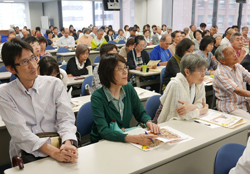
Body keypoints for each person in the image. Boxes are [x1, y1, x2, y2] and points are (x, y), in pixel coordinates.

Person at [0, 38, 78, 164]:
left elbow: (66, 118)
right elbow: (21, 134)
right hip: (27, 154)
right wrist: (54, 152)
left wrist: (67, 143)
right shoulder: (5, 94)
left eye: (33, 58)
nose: (33, 65)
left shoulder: (54, 84)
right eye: (24, 62)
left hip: (59, 146)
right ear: (11, 69)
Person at [90, 53, 160, 144]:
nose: (125, 72)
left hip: (125, 138)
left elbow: (140, 112)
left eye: (125, 67)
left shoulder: (128, 88)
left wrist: (149, 122)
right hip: (104, 143)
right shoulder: (97, 97)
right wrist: (134, 138)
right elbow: (103, 131)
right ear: (108, 73)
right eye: (120, 69)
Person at [156, 54, 209, 123]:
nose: (203, 75)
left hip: (189, 122)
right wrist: (202, 111)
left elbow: (201, 104)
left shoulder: (199, 82)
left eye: (204, 70)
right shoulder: (176, 85)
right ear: (187, 72)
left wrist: (192, 107)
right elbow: (182, 116)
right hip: (169, 124)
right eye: (200, 71)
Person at [213, 45, 250, 118]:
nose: (234, 54)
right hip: (230, 107)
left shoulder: (237, 66)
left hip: (243, 103)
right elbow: (238, 91)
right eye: (230, 54)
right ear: (222, 60)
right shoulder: (220, 73)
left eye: (233, 51)